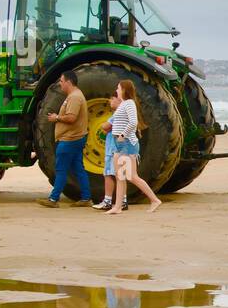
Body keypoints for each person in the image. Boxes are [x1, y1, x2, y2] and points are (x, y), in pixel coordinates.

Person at [38, 70, 95, 208]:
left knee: (61, 169)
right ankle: (86, 198)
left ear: (69, 82)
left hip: (69, 139)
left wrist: (56, 118)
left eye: (62, 81)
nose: (60, 84)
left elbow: (71, 117)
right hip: (75, 138)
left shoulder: (74, 97)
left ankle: (53, 199)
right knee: (78, 169)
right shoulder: (75, 96)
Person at [107, 80, 161, 214]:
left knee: (132, 176)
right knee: (120, 176)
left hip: (127, 144)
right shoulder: (123, 104)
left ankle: (154, 200)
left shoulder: (129, 103)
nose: (117, 90)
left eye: (118, 88)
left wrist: (123, 135)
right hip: (118, 145)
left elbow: (133, 122)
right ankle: (117, 207)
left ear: (125, 90)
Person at [92, 92, 127, 211]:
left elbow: (105, 127)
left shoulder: (117, 114)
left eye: (112, 98)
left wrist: (104, 124)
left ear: (119, 100)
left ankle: (107, 201)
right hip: (121, 148)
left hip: (113, 149)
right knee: (120, 175)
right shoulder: (126, 113)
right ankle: (123, 200)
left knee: (109, 174)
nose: (109, 101)